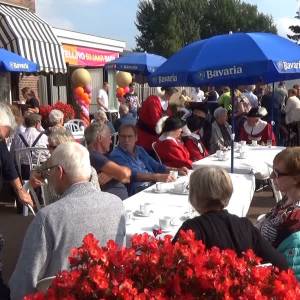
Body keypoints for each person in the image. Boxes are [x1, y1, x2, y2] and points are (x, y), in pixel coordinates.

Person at [9, 142, 125, 299]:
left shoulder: (48, 217)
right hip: (106, 293)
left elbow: (22, 286)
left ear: (59, 172)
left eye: (50, 171)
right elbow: (120, 262)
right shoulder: (116, 204)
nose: (49, 176)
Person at [173, 167, 288, 270]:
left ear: (195, 195)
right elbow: (281, 263)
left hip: (208, 292)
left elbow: (170, 265)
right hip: (242, 291)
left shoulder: (192, 228)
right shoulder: (245, 225)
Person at [0, 103, 32, 299]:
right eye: (4, 133)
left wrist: (20, 191)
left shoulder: (1, 142)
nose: (4, 138)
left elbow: (9, 166)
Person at [256, 148, 300, 277]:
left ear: (296, 179)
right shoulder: (287, 200)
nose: (271, 176)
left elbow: (291, 270)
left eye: (277, 173)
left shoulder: (295, 219)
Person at [110, 124, 187, 195]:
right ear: (119, 138)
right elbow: (132, 175)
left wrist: (176, 170)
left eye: (129, 136)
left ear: (136, 138)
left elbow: (157, 166)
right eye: (123, 136)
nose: (126, 140)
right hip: (138, 191)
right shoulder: (116, 155)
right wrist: (157, 177)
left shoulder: (139, 150)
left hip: (153, 185)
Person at [29, 128, 100, 204]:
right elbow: (37, 169)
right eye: (48, 145)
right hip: (54, 209)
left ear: (65, 148)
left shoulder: (86, 169)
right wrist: (33, 175)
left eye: (52, 147)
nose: (48, 149)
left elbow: (95, 198)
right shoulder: (51, 162)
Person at [84, 123, 131, 199]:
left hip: (116, 198)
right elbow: (125, 174)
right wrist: (114, 173)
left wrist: (111, 173)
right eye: (109, 137)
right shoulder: (95, 156)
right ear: (99, 138)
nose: (111, 141)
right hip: (115, 202)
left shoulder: (94, 155)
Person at [137, 87, 177, 154]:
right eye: (170, 93)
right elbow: (157, 121)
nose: (171, 95)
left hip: (157, 140)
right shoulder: (153, 100)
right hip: (145, 138)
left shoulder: (169, 105)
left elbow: (170, 118)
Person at [10, 113, 48, 179]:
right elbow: (48, 154)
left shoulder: (17, 137)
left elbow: (12, 154)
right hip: (41, 172)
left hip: (23, 172)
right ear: (37, 123)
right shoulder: (43, 137)